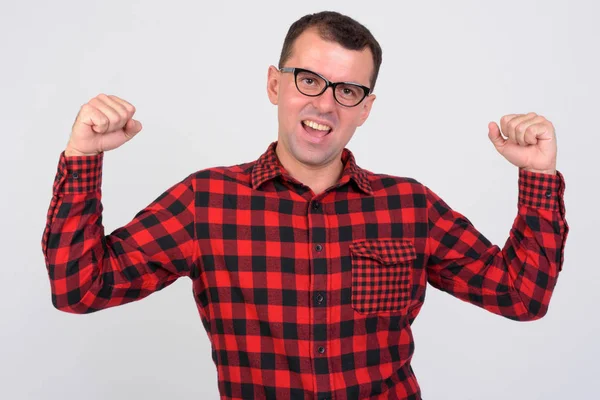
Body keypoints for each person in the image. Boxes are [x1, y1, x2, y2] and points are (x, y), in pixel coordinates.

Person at [41, 10, 569, 400]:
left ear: (366, 108)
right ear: (276, 84)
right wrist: (83, 157)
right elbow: (79, 288)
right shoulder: (206, 202)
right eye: (309, 79)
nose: (324, 103)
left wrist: (537, 176)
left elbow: (521, 297)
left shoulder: (410, 206)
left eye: (348, 90)